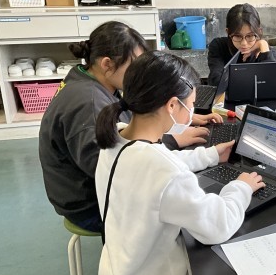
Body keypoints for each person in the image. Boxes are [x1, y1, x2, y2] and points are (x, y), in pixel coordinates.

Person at [94, 51, 264, 275]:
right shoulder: (163, 171)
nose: (192, 113)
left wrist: (210, 155)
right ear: (172, 105)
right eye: (191, 105)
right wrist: (240, 187)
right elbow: (217, 225)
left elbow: (159, 161)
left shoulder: (117, 137)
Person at [39, 21, 220, 233]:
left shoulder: (91, 80)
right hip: (89, 206)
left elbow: (129, 119)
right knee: (181, 211)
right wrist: (170, 139)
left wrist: (178, 114)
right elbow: (114, 166)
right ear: (107, 64)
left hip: (88, 189)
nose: (140, 73)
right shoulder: (89, 102)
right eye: (134, 66)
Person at [206, 3, 276, 86]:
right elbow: (217, 81)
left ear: (258, 32)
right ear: (228, 32)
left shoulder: (265, 50)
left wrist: (263, 44)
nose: (244, 43)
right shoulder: (219, 46)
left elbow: (271, 83)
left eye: (250, 36)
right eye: (237, 36)